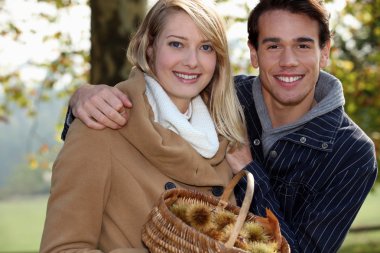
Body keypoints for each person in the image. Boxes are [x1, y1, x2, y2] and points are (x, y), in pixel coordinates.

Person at [62, 0, 378, 252]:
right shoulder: (222, 97)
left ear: (324, 53)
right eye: (272, 46)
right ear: (254, 53)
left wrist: (251, 172)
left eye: (303, 45)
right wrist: (85, 97)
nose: (288, 61)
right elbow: (153, 99)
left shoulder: (351, 154)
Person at [40, 0, 248, 252]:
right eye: (176, 44)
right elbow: (62, 248)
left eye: (206, 47)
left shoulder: (226, 134)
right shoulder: (101, 126)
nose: (192, 61)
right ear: (149, 47)